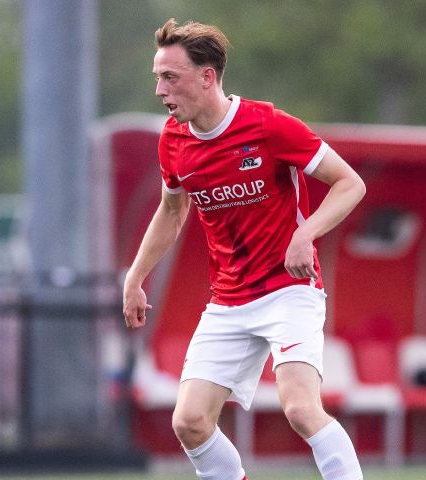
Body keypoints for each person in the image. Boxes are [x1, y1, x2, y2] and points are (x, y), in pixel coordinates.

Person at [123, 19, 366, 480]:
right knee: (189, 422)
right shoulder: (173, 142)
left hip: (289, 289)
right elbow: (171, 213)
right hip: (229, 299)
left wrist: (305, 233)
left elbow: (349, 183)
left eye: (169, 77)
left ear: (206, 76)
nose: (159, 90)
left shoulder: (267, 125)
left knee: (299, 408)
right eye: (157, 77)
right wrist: (135, 278)